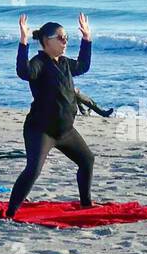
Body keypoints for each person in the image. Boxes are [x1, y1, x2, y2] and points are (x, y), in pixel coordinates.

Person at [5, 14, 95, 218]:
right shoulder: (39, 63)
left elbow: (83, 66)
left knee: (87, 160)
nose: (65, 42)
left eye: (67, 38)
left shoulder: (64, 63)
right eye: (61, 38)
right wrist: (23, 42)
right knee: (33, 170)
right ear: (46, 41)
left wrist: (87, 39)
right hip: (41, 130)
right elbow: (23, 72)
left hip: (65, 131)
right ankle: (10, 212)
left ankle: (86, 205)